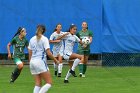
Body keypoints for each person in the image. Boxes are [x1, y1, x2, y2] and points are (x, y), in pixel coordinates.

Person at [28, 24, 59, 93]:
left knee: (38, 83)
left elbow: (30, 52)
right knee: (49, 83)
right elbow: (48, 52)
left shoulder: (31, 39)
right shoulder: (44, 39)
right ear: (44, 31)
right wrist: (55, 60)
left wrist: (30, 62)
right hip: (40, 62)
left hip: (32, 62)